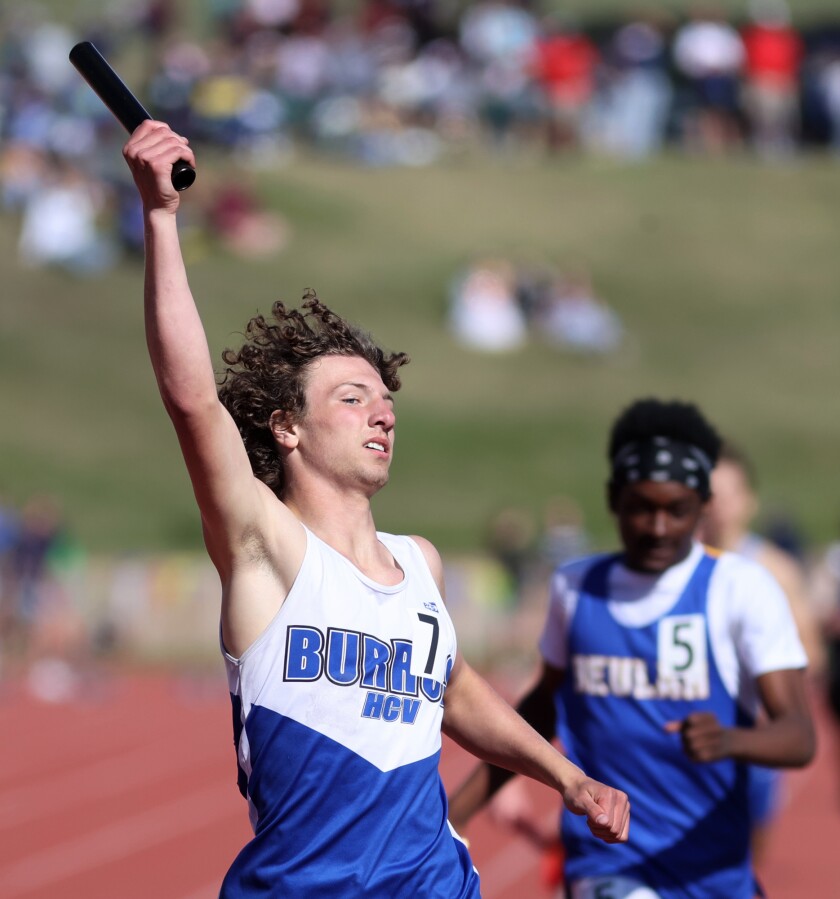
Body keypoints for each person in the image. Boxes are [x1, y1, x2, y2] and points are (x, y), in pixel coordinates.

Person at [120, 120, 629, 897]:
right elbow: (192, 402)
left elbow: (456, 693)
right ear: (287, 427)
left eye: (386, 402)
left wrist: (569, 777)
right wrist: (160, 218)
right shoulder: (266, 545)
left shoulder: (419, 560)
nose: (382, 416)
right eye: (353, 399)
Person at [449, 397, 815, 899]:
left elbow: (799, 737)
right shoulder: (575, 589)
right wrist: (454, 817)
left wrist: (731, 740)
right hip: (607, 861)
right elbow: (540, 711)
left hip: (714, 868)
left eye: (677, 510)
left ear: (702, 507)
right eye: (643, 507)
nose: (659, 527)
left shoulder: (741, 588)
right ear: (614, 499)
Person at [697, 441, 825, 867]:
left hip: (752, 740)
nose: (715, 506)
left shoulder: (774, 569)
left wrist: (768, 675)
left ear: (747, 501)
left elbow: (812, 651)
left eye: (726, 494)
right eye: (707, 494)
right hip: (685, 733)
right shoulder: (671, 569)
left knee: (744, 863)